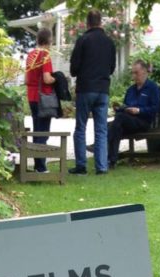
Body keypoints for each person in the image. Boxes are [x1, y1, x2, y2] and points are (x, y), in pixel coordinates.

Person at [68, 10, 116, 175]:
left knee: (81, 127)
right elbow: (111, 68)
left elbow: (74, 69)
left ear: (87, 23)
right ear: (100, 22)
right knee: (101, 129)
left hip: (86, 88)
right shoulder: (109, 42)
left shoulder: (83, 40)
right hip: (103, 89)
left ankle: (81, 166)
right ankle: (101, 166)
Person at [107, 59, 160, 168]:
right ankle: (111, 160)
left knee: (116, 123)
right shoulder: (131, 90)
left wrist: (139, 110)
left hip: (143, 122)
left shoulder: (152, 88)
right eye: (133, 73)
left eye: (136, 73)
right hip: (128, 121)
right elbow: (126, 106)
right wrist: (120, 108)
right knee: (113, 125)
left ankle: (107, 156)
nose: (134, 76)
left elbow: (155, 108)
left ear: (144, 71)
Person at [25, 27, 56, 174]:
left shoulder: (30, 55)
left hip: (31, 96)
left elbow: (26, 79)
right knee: (43, 132)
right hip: (43, 97)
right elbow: (47, 78)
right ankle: (41, 167)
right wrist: (57, 79)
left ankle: (37, 164)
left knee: (37, 130)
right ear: (49, 40)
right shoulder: (45, 55)